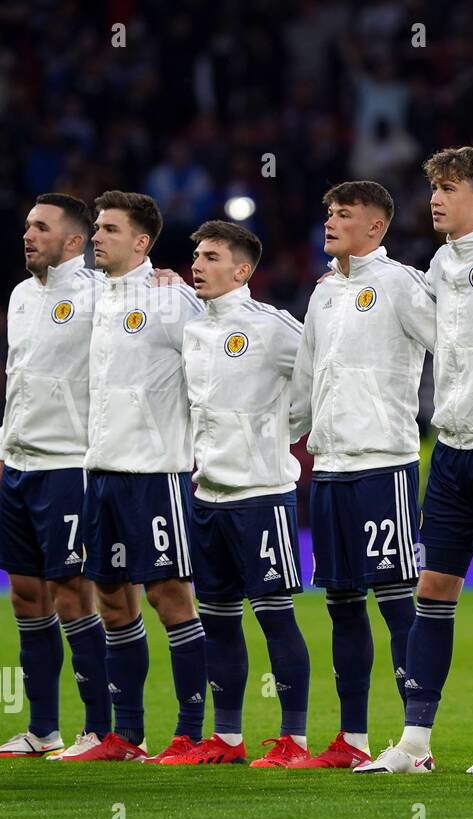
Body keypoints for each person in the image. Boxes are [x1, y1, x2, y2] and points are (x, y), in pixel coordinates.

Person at [355, 148, 473, 776]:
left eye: (449, 188)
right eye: (434, 187)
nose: (435, 198)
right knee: (433, 589)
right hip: (453, 451)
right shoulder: (438, 263)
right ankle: (414, 744)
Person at [290, 181, 434, 769]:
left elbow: (449, 346)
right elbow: (303, 381)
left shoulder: (400, 284)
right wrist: (281, 441)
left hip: (383, 462)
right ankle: (351, 741)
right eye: (328, 211)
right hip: (331, 467)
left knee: (398, 602)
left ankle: (413, 743)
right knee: (342, 602)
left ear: (375, 227)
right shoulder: (324, 293)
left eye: (344, 214)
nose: (330, 220)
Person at [62, 190, 206, 763]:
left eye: (109, 229)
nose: (96, 236)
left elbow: (211, 366)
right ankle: (126, 736)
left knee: (170, 596)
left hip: (156, 475)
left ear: (142, 243)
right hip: (102, 473)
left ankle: (191, 734)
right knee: (112, 601)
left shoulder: (171, 300)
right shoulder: (98, 297)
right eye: (95, 228)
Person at [170, 220, 311, 766]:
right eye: (196, 256)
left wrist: (288, 430)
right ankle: (227, 740)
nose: (197, 265)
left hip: (262, 496)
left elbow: (319, 377)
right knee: (220, 621)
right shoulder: (195, 330)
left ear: (242, 270)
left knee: (275, 618)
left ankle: (294, 740)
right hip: (207, 497)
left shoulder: (272, 327)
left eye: (210, 257)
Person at [0, 193, 110, 759]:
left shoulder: (102, 294)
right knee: (26, 594)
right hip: (22, 465)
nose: (27, 235)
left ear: (74, 242)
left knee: (72, 595)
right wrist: (1, 449)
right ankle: (42, 729)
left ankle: (100, 730)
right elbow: (18, 379)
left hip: (70, 466)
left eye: (41, 227)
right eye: (26, 225)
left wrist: (164, 281)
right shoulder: (19, 296)